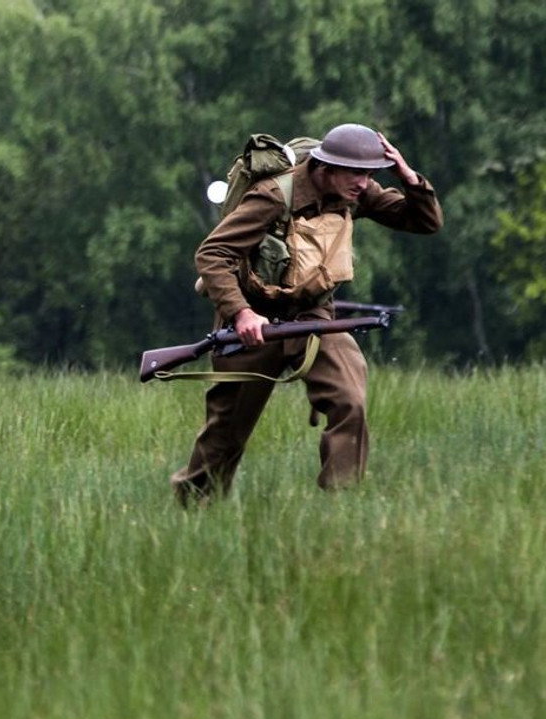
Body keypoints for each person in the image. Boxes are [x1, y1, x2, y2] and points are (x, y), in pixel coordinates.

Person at [171, 123, 442, 503]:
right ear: (325, 168)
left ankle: (342, 505)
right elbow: (213, 254)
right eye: (356, 173)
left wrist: (410, 179)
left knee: (350, 401)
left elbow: (424, 222)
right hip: (255, 323)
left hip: (314, 318)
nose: (364, 184)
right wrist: (242, 314)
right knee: (226, 435)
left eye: (369, 174)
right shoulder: (272, 197)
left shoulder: (354, 192)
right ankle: (194, 511)